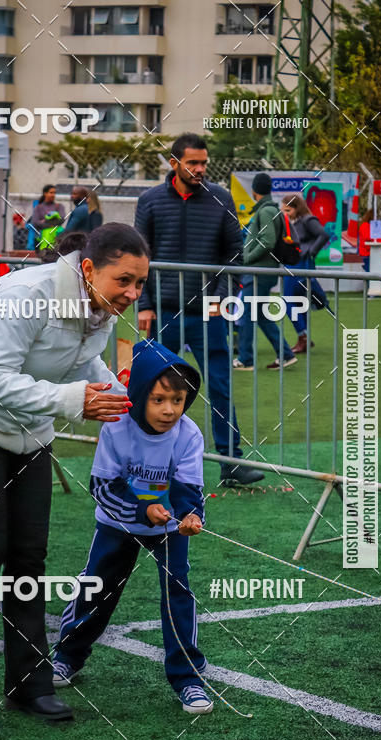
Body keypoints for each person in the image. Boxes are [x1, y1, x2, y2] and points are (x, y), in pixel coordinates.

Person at [0, 223, 149, 727]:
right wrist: (75, 401)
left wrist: (122, 395)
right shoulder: (23, 293)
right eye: (125, 281)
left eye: (140, 284)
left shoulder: (100, 307)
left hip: (29, 431)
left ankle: (29, 685)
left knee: (30, 555)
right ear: (89, 268)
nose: (133, 294)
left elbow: (83, 362)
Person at [53, 338, 214, 714]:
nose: (169, 410)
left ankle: (187, 675)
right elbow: (104, 486)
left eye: (178, 400)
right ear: (140, 394)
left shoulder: (189, 434)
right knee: (95, 587)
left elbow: (190, 489)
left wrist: (190, 517)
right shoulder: (117, 426)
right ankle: (68, 654)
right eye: (159, 399)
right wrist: (145, 511)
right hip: (117, 524)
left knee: (179, 594)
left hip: (168, 529)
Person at [135, 132, 264, 487]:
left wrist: (221, 297)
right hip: (162, 313)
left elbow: (234, 253)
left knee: (219, 385)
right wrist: (144, 305)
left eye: (203, 163)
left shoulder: (221, 199)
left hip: (208, 313)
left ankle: (230, 464)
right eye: (192, 163)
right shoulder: (149, 201)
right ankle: (146, 462)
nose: (200, 169)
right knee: (153, 388)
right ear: (174, 163)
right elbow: (139, 258)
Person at [240, 172, 297, 371]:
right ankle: (285, 354)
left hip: (258, 272)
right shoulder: (271, 209)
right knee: (261, 315)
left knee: (247, 313)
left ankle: (245, 359)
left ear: (254, 190)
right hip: (265, 271)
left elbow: (268, 241)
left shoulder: (265, 211)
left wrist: (247, 258)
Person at [280, 192, 330, 355]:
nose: (284, 213)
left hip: (300, 265)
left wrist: (311, 252)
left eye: (288, 210)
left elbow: (323, 235)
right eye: (283, 210)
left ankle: (303, 337)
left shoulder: (307, 220)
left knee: (287, 302)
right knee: (299, 303)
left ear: (297, 208)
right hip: (293, 264)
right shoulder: (293, 222)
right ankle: (305, 338)